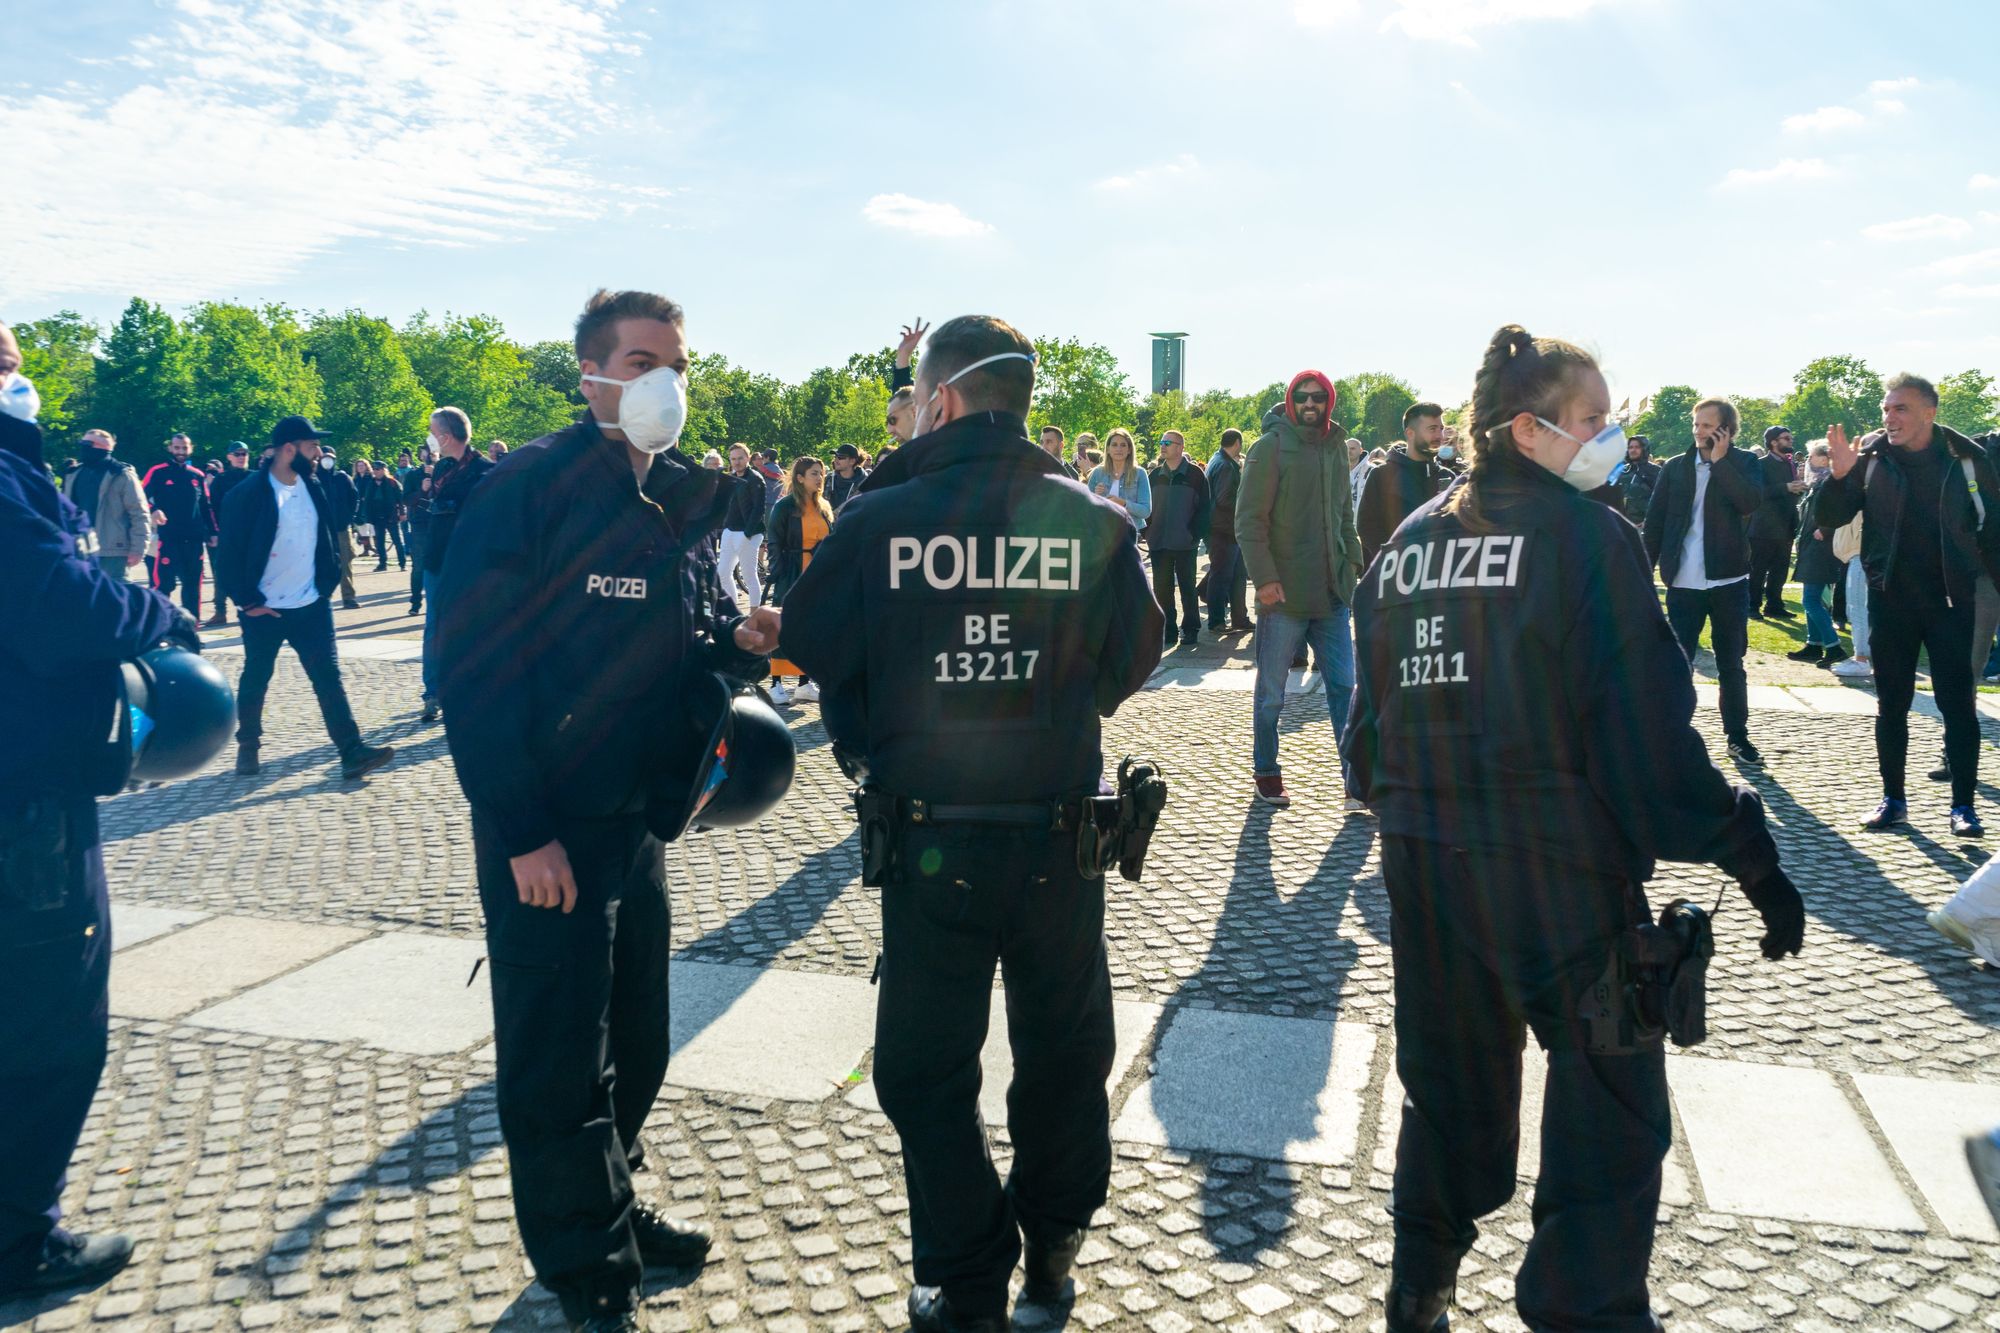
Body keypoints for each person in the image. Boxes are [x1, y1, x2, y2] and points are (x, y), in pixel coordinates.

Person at [1343, 323, 1804, 1333]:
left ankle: (1415, 1294)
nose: (1609, 435)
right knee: (1609, 1109)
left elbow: (1361, 733)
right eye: (1592, 420)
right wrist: (1749, 852)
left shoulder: (1409, 542)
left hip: (1424, 874)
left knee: (1447, 1093)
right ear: (1529, 428)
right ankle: (1581, 1311)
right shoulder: (1589, 539)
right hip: (1559, 882)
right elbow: (1645, 742)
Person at [776, 313, 1161, 1333]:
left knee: (918, 1067)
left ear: (937, 400)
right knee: (1065, 1056)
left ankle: (969, 1273)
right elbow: (1129, 662)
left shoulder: (878, 516)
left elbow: (814, 646)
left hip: (931, 841)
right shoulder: (1085, 515)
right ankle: (1049, 1259)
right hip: (1059, 839)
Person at [436, 289, 779, 1333]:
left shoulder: (672, 497)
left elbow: (672, 643)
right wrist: (521, 831)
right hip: (549, 830)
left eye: (674, 361)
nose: (660, 382)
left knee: (636, 1033)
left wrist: (737, 643)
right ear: (588, 375)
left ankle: (614, 1205)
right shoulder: (526, 490)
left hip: (638, 825)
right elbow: (471, 672)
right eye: (638, 361)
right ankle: (587, 1269)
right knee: (555, 1054)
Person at [0, 324, 189, 1303]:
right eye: (7, 365)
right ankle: (18, 1239)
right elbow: (57, 609)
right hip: (22, 802)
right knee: (47, 1025)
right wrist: (160, 613)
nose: (22, 383)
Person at [1817, 374, 2000, 837]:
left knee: (1958, 706)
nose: (1889, 417)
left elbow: (1993, 533)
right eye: (1886, 408)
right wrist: (1838, 477)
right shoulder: (1872, 457)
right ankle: (1893, 800)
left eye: (1900, 408)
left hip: (1951, 601)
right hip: (1890, 599)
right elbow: (1829, 517)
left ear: (1929, 412)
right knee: (1891, 705)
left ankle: (1963, 806)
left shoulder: (1967, 459)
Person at [215, 417, 395, 782]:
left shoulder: (313, 486)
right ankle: (248, 746)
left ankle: (351, 752)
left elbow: (327, 536)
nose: (317, 454)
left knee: (328, 677)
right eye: (311, 446)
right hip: (264, 608)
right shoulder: (248, 494)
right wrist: (247, 602)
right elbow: (228, 555)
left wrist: (326, 585)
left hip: (311, 604)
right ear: (288, 449)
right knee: (257, 677)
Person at [1237, 371, 1364, 809]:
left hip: (1333, 596)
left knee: (1345, 691)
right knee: (1272, 693)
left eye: (1318, 398)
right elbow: (1249, 522)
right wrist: (1265, 578)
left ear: (1329, 402)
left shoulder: (1334, 447)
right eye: (1302, 397)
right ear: (1291, 401)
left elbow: (1345, 513)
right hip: (1284, 597)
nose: (1311, 404)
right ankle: (1267, 771)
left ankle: (1355, 781)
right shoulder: (1268, 447)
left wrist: (1354, 564)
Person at [1642, 397, 1764, 766]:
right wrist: (1641, 573)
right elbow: (1656, 521)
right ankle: (1671, 733)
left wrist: (1721, 462)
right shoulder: (1676, 468)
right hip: (1682, 581)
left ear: (1726, 429)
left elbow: (1748, 503)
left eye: (1707, 424)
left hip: (1729, 580)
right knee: (1678, 663)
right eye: (1696, 423)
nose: (1698, 430)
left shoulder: (1744, 463)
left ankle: (1737, 737)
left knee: (1731, 662)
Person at [418, 409, 492, 724]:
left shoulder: (485, 471)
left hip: (468, 563)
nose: (429, 437)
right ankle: (432, 692)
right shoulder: (442, 469)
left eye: (432, 432)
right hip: (436, 560)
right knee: (434, 627)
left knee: (474, 626)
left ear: (446, 437)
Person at [764, 455, 831, 705]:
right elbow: (774, 541)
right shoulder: (784, 507)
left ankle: (804, 682)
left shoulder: (823, 506)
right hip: (792, 571)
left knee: (809, 629)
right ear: (800, 478)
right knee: (784, 625)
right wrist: (778, 571)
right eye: (814, 473)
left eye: (821, 473)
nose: (820, 478)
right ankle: (776, 683)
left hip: (817, 575)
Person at [1357, 402, 1456, 567]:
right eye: (1432, 429)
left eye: (1441, 428)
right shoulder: (1382, 476)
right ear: (1410, 433)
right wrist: (1393, 562)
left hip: (1439, 579)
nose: (1440, 435)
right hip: (1396, 576)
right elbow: (1367, 527)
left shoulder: (1448, 477)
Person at [1145, 430, 1211, 649]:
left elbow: (1205, 509)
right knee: (1161, 589)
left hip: (1185, 542)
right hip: (1159, 542)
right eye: (1161, 442)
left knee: (1187, 588)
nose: (1162, 446)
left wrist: (1194, 534)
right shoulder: (1154, 475)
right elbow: (1146, 508)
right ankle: (1168, 629)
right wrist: (1148, 532)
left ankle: (1191, 629)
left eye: (1168, 442)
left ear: (1180, 447)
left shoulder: (1195, 474)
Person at [141, 432, 217, 620]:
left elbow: (206, 507)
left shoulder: (197, 475)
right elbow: (139, 497)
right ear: (170, 448)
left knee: (192, 587)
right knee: (163, 586)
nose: (181, 451)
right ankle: (158, 630)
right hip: (168, 539)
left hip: (194, 540)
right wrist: (154, 509)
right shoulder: (158, 472)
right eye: (177, 447)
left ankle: (191, 632)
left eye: (184, 448)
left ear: (191, 449)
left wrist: (213, 532)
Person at [1788, 440, 1849, 667]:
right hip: (1812, 548)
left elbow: (1842, 510)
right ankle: (1814, 644)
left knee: (1811, 600)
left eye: (1812, 457)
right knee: (1811, 599)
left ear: (1824, 459)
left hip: (1821, 550)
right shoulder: (1818, 484)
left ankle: (1834, 647)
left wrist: (1825, 530)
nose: (1807, 462)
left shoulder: (1830, 483)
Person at [65, 430, 152, 582]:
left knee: (112, 601)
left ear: (103, 446)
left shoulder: (122, 474)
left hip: (112, 551)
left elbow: (139, 513)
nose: (82, 448)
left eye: (87, 444)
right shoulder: (74, 473)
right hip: (78, 548)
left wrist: (138, 549)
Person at [1748, 425, 1805, 620]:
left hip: (1785, 526)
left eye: (1790, 438)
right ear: (1774, 442)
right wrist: (1786, 487)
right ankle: (1752, 606)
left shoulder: (1789, 464)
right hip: (1763, 527)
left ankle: (1774, 605)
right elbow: (1758, 493)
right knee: (1758, 569)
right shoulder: (1760, 464)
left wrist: (1799, 488)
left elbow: (1788, 492)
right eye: (1786, 438)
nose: (1790, 441)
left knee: (1780, 570)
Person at [1203, 428, 1252, 635]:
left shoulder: (1217, 459)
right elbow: (1225, 499)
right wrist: (1248, 504)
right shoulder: (1226, 466)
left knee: (1238, 574)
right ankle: (1216, 621)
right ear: (1238, 443)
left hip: (1225, 529)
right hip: (1224, 529)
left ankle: (1239, 617)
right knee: (1222, 575)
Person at [205, 443, 255, 625]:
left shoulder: (255, 477)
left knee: (253, 573)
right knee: (222, 573)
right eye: (237, 454)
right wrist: (215, 532)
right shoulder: (221, 480)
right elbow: (213, 509)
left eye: (245, 453)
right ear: (229, 457)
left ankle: (253, 608)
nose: (242, 456)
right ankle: (220, 611)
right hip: (227, 534)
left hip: (251, 535)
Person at [719, 443, 765, 608]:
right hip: (730, 531)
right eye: (733, 459)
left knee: (749, 576)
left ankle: (754, 617)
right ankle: (735, 612)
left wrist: (747, 534)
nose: (736, 462)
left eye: (740, 458)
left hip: (748, 533)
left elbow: (759, 508)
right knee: (722, 573)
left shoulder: (755, 479)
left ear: (748, 458)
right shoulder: (731, 477)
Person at [317, 451, 361, 609]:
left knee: (345, 562)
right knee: (320, 563)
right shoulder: (315, 478)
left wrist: (349, 517)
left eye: (330, 458)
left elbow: (354, 497)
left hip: (342, 528)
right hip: (321, 529)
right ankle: (320, 598)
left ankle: (348, 597)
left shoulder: (342, 478)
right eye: (324, 458)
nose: (327, 462)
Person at [1084, 428, 1151, 528]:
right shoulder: (1097, 473)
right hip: (1102, 532)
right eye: (1114, 445)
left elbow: (1145, 511)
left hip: (1131, 531)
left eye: (1123, 445)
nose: (1118, 449)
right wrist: (1095, 496)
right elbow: (1087, 510)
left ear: (1129, 450)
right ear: (1108, 449)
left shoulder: (1140, 473)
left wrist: (1123, 503)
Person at [403, 444, 437, 616]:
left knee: (441, 564)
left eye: (433, 454)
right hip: (420, 524)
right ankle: (415, 602)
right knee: (419, 565)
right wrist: (422, 490)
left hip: (441, 523)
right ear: (421, 456)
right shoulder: (412, 475)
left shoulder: (446, 473)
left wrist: (436, 479)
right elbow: (406, 500)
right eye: (427, 454)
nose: (430, 457)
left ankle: (438, 602)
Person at [366, 461, 406, 571]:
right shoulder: (371, 483)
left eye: (378, 469)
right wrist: (368, 516)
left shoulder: (392, 482)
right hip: (377, 516)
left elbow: (400, 499)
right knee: (379, 542)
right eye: (374, 469)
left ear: (384, 469)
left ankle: (402, 563)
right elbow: (368, 501)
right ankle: (382, 564)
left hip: (391, 516)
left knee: (397, 540)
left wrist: (402, 513)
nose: (375, 471)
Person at [827, 443, 869, 511]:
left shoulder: (864, 483)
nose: (836, 460)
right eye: (835, 457)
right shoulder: (828, 479)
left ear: (852, 461)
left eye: (840, 457)